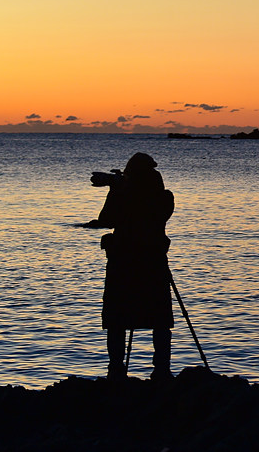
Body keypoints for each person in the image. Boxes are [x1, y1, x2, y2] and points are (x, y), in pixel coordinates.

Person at [87, 152, 175, 380]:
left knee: (119, 318)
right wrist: (120, 188)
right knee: (158, 319)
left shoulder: (147, 197)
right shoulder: (164, 198)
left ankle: (116, 370)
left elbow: (106, 219)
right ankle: (161, 370)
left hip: (125, 263)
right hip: (152, 263)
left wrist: (116, 189)